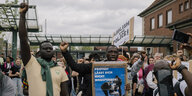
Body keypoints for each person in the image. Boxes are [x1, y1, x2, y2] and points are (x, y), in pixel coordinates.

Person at [19, 3, 69, 96]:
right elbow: (23, 39)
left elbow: (65, 94)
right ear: (40, 52)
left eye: (50, 48)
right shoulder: (31, 63)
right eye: (45, 48)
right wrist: (22, 15)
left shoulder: (60, 69)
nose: (49, 50)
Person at [60, 42, 146, 96]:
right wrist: (65, 52)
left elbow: (132, 73)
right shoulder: (94, 66)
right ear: (106, 54)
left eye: (115, 52)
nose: (113, 54)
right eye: (110, 52)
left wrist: (127, 88)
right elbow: (75, 67)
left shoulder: (122, 68)